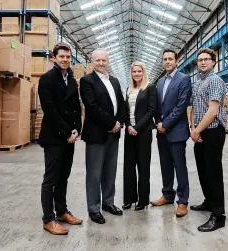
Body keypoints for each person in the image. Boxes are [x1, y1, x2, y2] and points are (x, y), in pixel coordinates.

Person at [38, 42, 83, 235]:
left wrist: (77, 130)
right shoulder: (47, 79)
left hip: (69, 136)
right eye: (61, 57)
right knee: (51, 178)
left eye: (67, 57)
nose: (65, 60)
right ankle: (48, 218)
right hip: (55, 136)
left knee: (64, 176)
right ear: (53, 58)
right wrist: (67, 133)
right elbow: (50, 110)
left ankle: (62, 211)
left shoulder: (71, 80)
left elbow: (76, 108)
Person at [80, 48, 126, 224]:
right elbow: (91, 107)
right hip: (96, 134)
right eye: (97, 60)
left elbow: (121, 104)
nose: (100, 63)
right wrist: (111, 124)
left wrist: (120, 123)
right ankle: (94, 208)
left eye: (103, 60)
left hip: (114, 134)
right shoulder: (86, 81)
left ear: (108, 61)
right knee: (94, 173)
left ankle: (108, 203)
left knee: (110, 171)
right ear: (92, 62)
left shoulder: (114, 81)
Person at [189, 48, 227, 232]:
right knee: (203, 170)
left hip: (212, 131)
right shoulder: (196, 84)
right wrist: (192, 128)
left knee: (213, 172)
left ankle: (218, 215)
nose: (203, 62)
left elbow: (212, 111)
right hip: (199, 132)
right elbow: (193, 108)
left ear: (213, 62)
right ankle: (209, 202)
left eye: (206, 59)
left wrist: (197, 130)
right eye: (200, 60)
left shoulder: (215, 81)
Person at [151, 49, 192, 218]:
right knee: (165, 166)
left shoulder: (184, 79)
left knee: (179, 167)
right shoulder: (160, 82)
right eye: (165, 59)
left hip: (176, 131)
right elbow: (155, 106)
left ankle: (182, 201)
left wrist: (165, 124)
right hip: (161, 132)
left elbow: (182, 105)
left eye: (170, 59)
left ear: (176, 61)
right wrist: (158, 124)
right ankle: (167, 194)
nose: (167, 62)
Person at [123, 62, 157, 211]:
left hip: (143, 132)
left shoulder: (150, 88)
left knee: (143, 167)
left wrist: (137, 127)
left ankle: (143, 200)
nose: (136, 74)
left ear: (144, 73)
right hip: (129, 132)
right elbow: (124, 111)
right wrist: (129, 126)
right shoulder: (128, 90)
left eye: (139, 71)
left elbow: (151, 111)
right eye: (134, 71)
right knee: (129, 166)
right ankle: (129, 199)